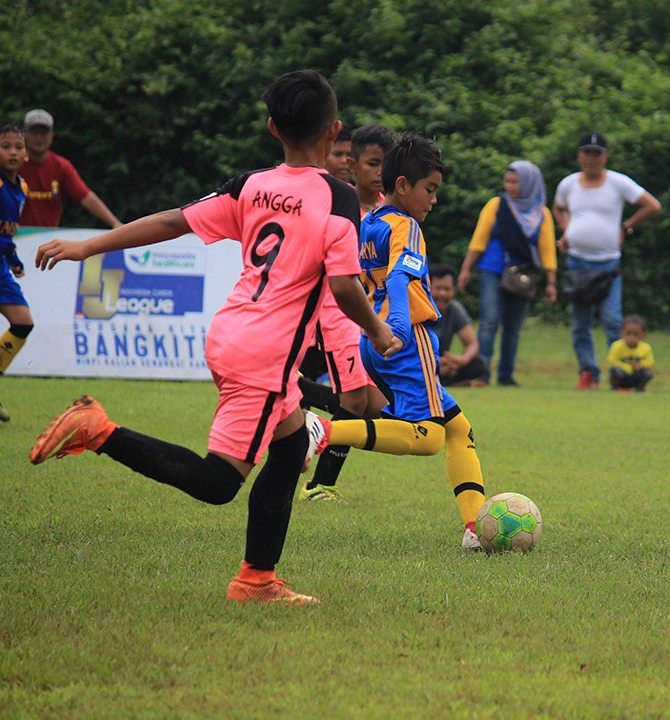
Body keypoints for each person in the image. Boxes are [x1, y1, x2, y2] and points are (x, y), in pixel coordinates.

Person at [28, 70, 401, 605]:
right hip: (267, 352)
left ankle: (257, 580)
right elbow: (343, 286)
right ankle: (99, 430)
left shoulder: (251, 185)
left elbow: (171, 222)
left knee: (293, 441)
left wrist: (89, 247)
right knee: (218, 482)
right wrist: (379, 330)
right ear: (334, 129)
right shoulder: (338, 198)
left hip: (232, 331)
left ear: (274, 128)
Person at [307, 134, 488, 551]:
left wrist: (375, 330)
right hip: (403, 339)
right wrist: (401, 330)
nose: (434, 200)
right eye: (430, 189)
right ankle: (322, 432)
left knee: (459, 428)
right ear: (403, 185)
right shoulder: (407, 227)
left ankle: (473, 529)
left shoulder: (370, 222)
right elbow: (400, 279)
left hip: (374, 338)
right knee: (428, 437)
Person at [297, 124, 397, 502]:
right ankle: (319, 486)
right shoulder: (340, 204)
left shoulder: (390, 210)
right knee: (355, 402)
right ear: (354, 165)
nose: (379, 172)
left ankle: (292, 391)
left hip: (368, 316)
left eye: (385, 165)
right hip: (337, 313)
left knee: (376, 406)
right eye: (373, 164)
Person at [553, 132, 661, 390]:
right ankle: (588, 372)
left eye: (597, 153)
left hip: (608, 264)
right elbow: (558, 207)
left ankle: (620, 375)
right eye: (587, 153)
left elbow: (652, 205)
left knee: (613, 320)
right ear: (580, 156)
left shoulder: (618, 182)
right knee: (581, 323)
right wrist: (566, 230)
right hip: (577, 263)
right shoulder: (568, 184)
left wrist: (626, 227)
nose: (592, 158)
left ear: (604, 157)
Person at [457, 160, 556, 387]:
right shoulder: (496, 205)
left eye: (515, 182)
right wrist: (465, 270)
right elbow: (479, 239)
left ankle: (506, 375)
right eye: (507, 181)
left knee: (513, 327)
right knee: (490, 321)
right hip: (492, 270)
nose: (509, 186)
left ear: (529, 184)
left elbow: (547, 250)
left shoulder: (542, 213)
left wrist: (551, 282)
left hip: (522, 276)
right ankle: (481, 373)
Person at [0, 121, 33, 422]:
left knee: (23, 322)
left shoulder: (23, 187)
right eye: (6, 146)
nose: (14, 152)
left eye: (19, 147)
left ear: (26, 154)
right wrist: (3, 245)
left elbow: (4, 232)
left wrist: (10, 256)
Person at [18, 109, 122, 229]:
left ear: (52, 135)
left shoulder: (61, 166)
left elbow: (85, 196)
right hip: (15, 236)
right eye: (34, 132)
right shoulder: (14, 164)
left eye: (44, 132)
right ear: (24, 134)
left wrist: (115, 223)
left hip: (47, 237)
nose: (39, 137)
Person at [429, 263, 487, 387]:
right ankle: (450, 383)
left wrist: (460, 361)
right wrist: (434, 364)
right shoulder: (418, 309)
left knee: (478, 364)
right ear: (427, 288)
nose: (442, 294)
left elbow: (473, 344)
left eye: (447, 289)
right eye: (438, 288)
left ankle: (443, 382)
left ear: (453, 291)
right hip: (421, 364)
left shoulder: (454, 309)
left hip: (445, 365)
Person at [606, 314, 654, 392]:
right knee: (615, 371)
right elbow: (612, 360)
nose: (632, 337)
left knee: (647, 373)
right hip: (622, 374)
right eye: (628, 333)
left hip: (636, 374)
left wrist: (641, 364)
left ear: (643, 335)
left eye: (636, 334)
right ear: (621, 333)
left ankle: (640, 388)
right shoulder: (617, 346)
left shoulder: (645, 348)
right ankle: (614, 388)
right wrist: (625, 367)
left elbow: (650, 362)